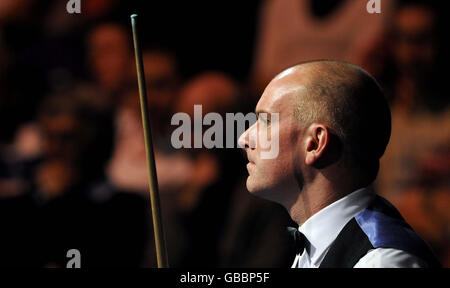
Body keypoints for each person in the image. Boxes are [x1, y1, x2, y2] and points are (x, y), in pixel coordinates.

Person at [238, 60, 441, 268]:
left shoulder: (381, 262)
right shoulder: (315, 246)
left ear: (315, 143)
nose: (243, 139)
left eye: (265, 121)